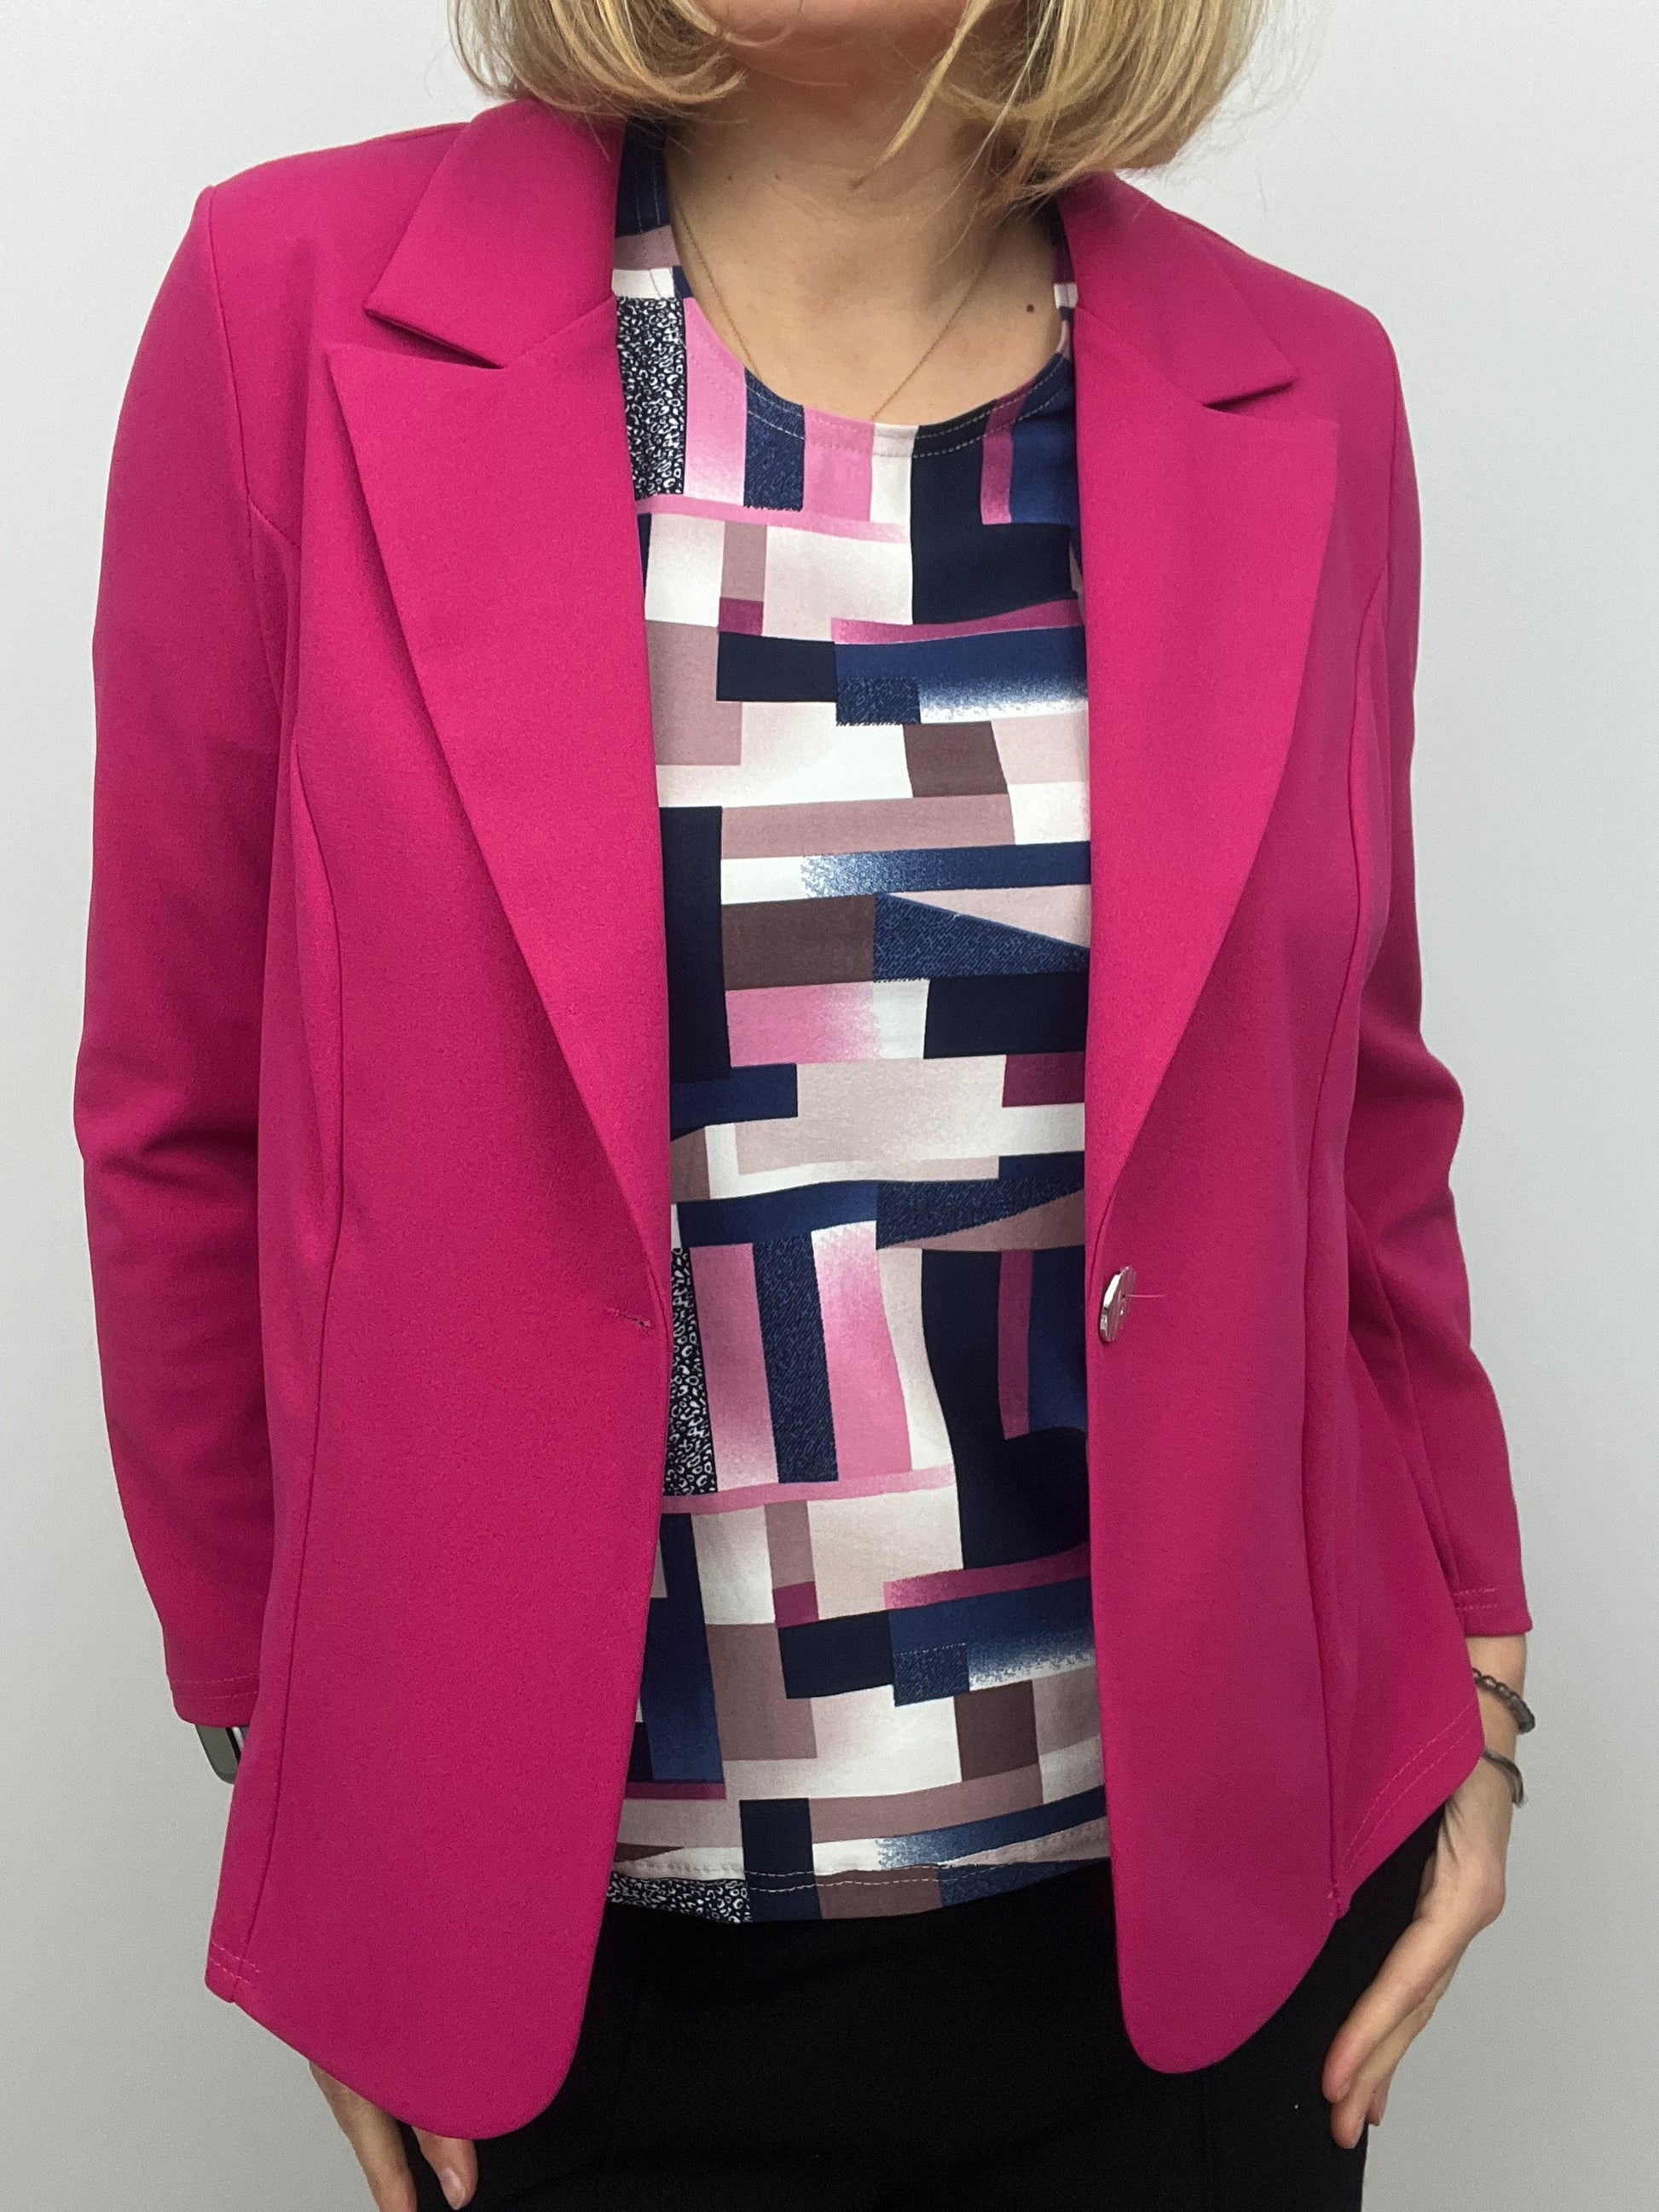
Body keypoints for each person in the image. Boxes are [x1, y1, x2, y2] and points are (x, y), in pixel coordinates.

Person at [75, 2, 1534, 2206]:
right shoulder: (288, 315)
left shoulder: (1303, 393)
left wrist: (1481, 1688)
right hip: (563, 1975)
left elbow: (1361, 1113)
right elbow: (184, 1116)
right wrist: (300, 1779)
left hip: (1198, 1960)